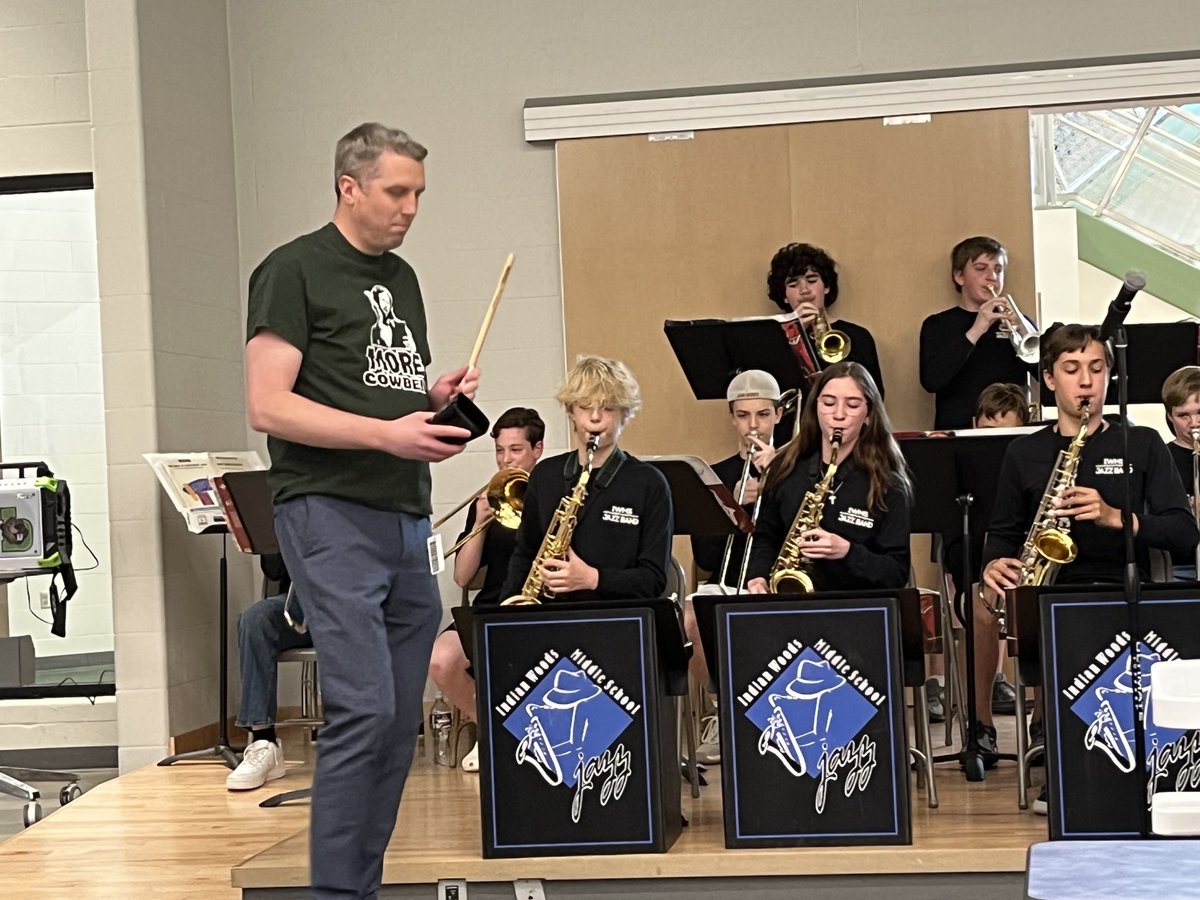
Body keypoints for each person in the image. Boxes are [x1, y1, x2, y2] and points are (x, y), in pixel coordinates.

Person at [244, 122, 479, 900]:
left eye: (419, 194)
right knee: (364, 710)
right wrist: (386, 433)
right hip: (329, 510)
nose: (410, 208)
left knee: (397, 718)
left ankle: (359, 886)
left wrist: (432, 402)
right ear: (349, 187)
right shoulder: (293, 270)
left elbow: (380, 393)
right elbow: (268, 404)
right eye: (396, 192)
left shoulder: (402, 278)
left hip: (405, 516)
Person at [979, 324, 1198, 814]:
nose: (1086, 382)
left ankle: (1139, 772)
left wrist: (1117, 517)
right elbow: (1003, 531)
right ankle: (1067, 771)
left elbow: (1184, 532)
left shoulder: (1141, 443)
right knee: (1060, 627)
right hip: (1051, 595)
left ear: (1108, 377)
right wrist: (994, 563)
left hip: (1125, 589)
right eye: (1072, 369)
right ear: (1049, 379)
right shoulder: (1024, 452)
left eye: (1097, 369)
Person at [500, 356, 673, 605]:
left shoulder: (649, 482)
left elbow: (653, 580)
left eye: (608, 408)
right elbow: (524, 555)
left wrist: (593, 579)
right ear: (571, 411)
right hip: (548, 613)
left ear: (625, 414)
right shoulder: (545, 474)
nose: (595, 417)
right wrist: (508, 611)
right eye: (584, 407)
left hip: (616, 616)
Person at [427, 407, 545, 773]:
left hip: (543, 603)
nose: (506, 459)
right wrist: (479, 522)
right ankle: (498, 732)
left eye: (516, 450)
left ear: (537, 449)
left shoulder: (553, 494)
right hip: (493, 604)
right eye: (500, 451)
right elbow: (463, 577)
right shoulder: (491, 498)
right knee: (440, 660)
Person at [683, 369, 783, 763]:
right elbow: (707, 558)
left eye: (762, 414)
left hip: (781, 581)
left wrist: (776, 489)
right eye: (743, 416)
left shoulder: (798, 467)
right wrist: (733, 507)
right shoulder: (713, 475)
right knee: (691, 617)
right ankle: (723, 711)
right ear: (732, 418)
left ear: (778, 415)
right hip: (728, 579)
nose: (753, 426)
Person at [745, 361, 912, 594]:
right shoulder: (785, 467)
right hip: (787, 602)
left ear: (868, 415)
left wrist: (847, 552)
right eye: (828, 403)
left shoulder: (888, 483)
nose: (838, 415)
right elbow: (765, 538)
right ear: (815, 407)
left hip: (856, 606)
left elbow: (896, 572)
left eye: (852, 405)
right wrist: (758, 576)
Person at [919, 235, 1037, 430]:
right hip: (956, 431)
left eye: (998, 270)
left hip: (1012, 430)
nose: (992, 277)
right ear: (959, 277)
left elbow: (1046, 377)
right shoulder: (937, 325)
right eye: (981, 268)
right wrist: (976, 330)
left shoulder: (1018, 323)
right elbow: (932, 381)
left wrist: (1024, 332)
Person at [226, 554, 312, 791]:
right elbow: (274, 570)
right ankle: (264, 741)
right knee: (255, 619)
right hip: (301, 602)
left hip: (354, 599)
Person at [767, 242, 885, 399]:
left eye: (812, 280)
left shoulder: (858, 336)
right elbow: (771, 392)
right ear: (784, 296)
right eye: (793, 284)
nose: (804, 290)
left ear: (827, 287)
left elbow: (875, 396)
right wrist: (796, 333)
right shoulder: (774, 340)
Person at [1161, 365, 1200, 579]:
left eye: (1199, 412)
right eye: (1183, 415)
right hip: (1178, 569)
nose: (1193, 424)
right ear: (1170, 416)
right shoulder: (1160, 458)